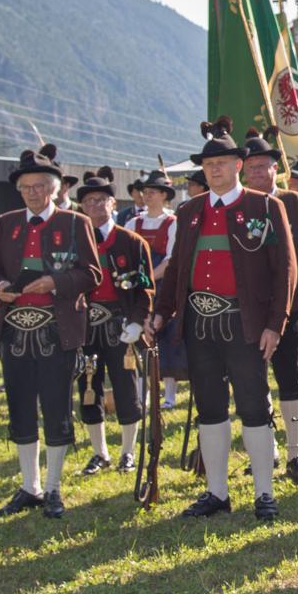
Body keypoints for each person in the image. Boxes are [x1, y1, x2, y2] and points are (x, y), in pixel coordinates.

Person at [152, 119, 297, 521]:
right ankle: (217, 492)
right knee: (210, 409)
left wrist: (275, 324)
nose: (214, 169)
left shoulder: (266, 206)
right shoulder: (189, 210)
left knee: (253, 406)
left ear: (239, 164)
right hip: (199, 324)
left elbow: (285, 270)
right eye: (209, 164)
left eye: (223, 162)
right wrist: (162, 312)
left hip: (244, 324)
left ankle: (264, 493)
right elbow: (178, 267)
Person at [0, 144, 103, 519]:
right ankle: (28, 486)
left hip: (57, 329)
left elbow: (92, 275)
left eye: (38, 186)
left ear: (54, 188)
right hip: (15, 331)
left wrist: (54, 281)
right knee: (20, 407)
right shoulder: (7, 223)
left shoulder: (76, 223)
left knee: (55, 407)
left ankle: (53, 488)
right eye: (25, 188)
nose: (32, 193)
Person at [243, 129, 298, 483]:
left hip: (293, 303)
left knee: (292, 377)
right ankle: (266, 449)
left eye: (263, 167)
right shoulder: (236, 204)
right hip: (247, 307)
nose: (257, 173)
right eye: (251, 168)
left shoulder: (296, 203)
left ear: (277, 169)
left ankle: (296, 450)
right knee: (253, 379)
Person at [72, 168, 152, 477]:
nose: (95, 206)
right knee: (88, 385)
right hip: (85, 326)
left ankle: (128, 452)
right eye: (89, 201)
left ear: (113, 204)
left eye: (101, 200)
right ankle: (99, 452)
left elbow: (145, 286)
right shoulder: (73, 242)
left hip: (121, 326)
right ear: (81, 207)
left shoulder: (131, 242)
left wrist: (136, 321)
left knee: (125, 387)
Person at [127, 167, 182, 411]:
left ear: (164, 195)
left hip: (163, 287)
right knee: (139, 339)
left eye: (152, 192)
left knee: (168, 339)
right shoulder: (132, 222)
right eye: (145, 192)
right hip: (138, 288)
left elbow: (171, 260)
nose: (147, 196)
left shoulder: (172, 223)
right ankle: (143, 392)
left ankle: (169, 394)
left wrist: (147, 277)